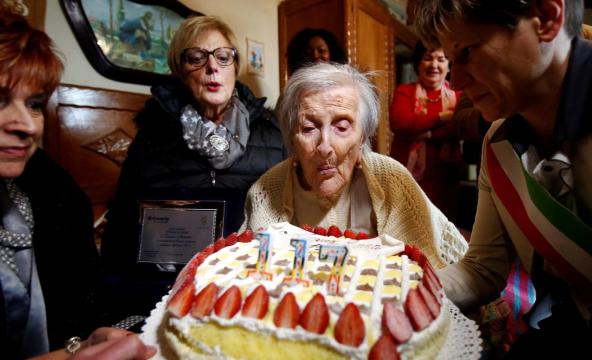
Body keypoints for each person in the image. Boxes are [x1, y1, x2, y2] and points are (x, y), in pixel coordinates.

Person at [415, 0, 592, 358]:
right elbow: (482, 270)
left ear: (546, 18)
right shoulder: (498, 142)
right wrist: (396, 292)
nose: (455, 81)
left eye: (467, 52)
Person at [101, 15, 287, 319]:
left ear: (235, 67)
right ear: (179, 71)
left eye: (223, 57)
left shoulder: (273, 134)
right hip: (170, 292)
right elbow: (122, 224)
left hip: (249, 290)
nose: (213, 67)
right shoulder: (152, 137)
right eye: (197, 58)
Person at [0, 11, 154, 359]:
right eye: (0, 100)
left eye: (35, 104)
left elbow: (81, 310)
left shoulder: (54, 190)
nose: (27, 125)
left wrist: (81, 346)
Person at [242, 62, 468, 267]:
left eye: (341, 128)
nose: (325, 147)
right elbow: (250, 270)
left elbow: (440, 264)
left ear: (362, 137)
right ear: (292, 137)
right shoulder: (266, 190)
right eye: (309, 128)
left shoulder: (390, 179)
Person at [389, 41, 465, 222]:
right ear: (418, 64)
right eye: (428, 58)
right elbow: (401, 123)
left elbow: (460, 128)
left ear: (449, 65)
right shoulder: (404, 91)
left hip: (445, 179)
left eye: (441, 59)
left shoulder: (460, 96)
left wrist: (428, 133)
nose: (434, 65)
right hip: (406, 178)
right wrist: (442, 117)